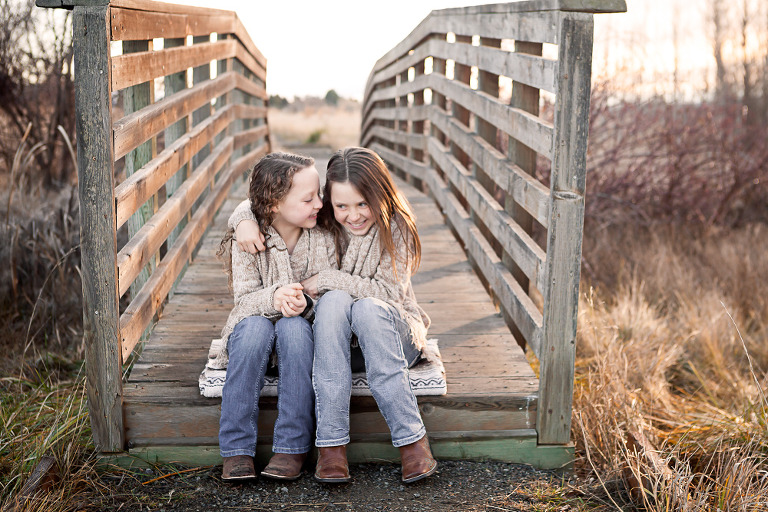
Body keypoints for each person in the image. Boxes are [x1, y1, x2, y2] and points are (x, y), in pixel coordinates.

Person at [232, 147, 437, 484]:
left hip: (392, 337)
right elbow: (267, 201)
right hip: (340, 344)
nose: (353, 215)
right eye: (341, 206)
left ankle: (412, 441)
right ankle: (331, 448)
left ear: (381, 196)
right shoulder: (321, 216)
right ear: (329, 201)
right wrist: (242, 220)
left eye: (362, 204)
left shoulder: (395, 228)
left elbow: (388, 294)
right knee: (332, 304)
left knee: (366, 308)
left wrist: (326, 279)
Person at [212, 152, 334, 482]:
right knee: (251, 331)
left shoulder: (323, 237)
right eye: (308, 198)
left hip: (302, 338)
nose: (319, 203)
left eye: (319, 194)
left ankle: (292, 447)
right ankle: (237, 449)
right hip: (257, 332)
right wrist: (274, 297)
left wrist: (305, 304)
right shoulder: (250, 238)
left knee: (294, 329)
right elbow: (244, 300)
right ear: (276, 203)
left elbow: (332, 293)